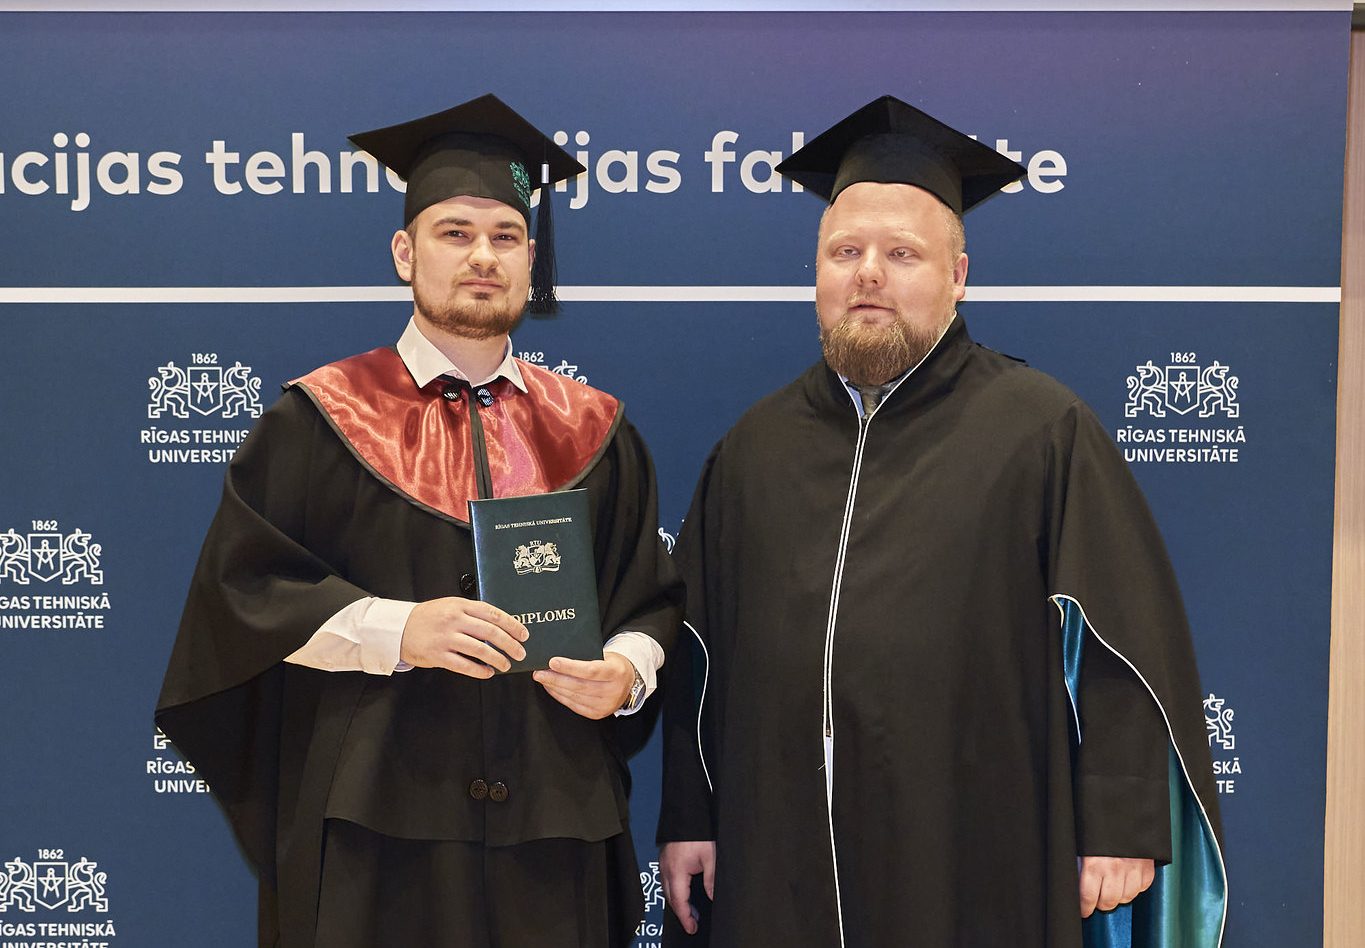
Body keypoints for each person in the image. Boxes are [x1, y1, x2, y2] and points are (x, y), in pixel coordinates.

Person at [655, 96, 1227, 948]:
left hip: (972, 841)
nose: (868, 274)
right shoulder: (753, 449)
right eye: (845, 252)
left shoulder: (1039, 429)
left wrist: (1117, 818)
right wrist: (689, 815)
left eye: (901, 254)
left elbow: (1121, 640)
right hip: (778, 846)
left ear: (957, 276)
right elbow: (699, 650)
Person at [156, 93, 683, 948]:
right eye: (454, 232)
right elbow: (243, 597)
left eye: (505, 236)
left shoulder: (595, 432)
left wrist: (626, 672)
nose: (482, 256)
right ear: (405, 252)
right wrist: (399, 630)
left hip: (553, 831)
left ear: (530, 259)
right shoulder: (319, 421)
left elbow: (650, 600)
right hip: (377, 835)